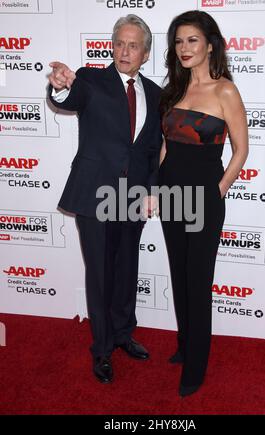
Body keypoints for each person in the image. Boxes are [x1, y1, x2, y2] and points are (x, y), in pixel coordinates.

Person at [48, 14, 162, 384]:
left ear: (145, 53)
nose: (124, 51)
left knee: (127, 269)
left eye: (133, 45)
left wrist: (152, 189)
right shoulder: (92, 79)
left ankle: (123, 334)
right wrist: (62, 86)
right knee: (99, 274)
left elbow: (152, 149)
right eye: (119, 43)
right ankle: (101, 350)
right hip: (95, 193)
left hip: (133, 198)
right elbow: (71, 96)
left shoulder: (156, 94)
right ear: (111, 46)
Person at [159, 10, 249, 397]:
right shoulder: (175, 88)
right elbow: (165, 146)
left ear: (210, 44)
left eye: (192, 40)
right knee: (178, 274)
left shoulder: (225, 90)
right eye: (179, 41)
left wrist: (218, 190)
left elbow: (241, 151)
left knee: (198, 280)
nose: (184, 48)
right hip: (169, 195)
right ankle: (184, 345)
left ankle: (196, 366)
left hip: (204, 199)